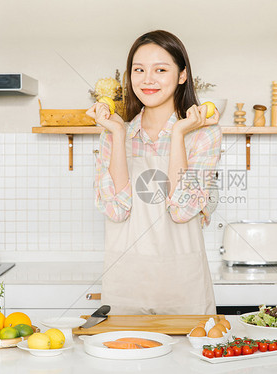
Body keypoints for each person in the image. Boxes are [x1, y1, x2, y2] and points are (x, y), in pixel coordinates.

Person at [86, 30, 222, 315]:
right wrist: (118, 134)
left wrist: (178, 134)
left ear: (182, 75)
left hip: (184, 286)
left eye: (160, 69)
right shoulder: (114, 133)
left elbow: (181, 211)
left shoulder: (203, 135)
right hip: (126, 284)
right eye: (139, 70)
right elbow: (116, 209)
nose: (148, 79)